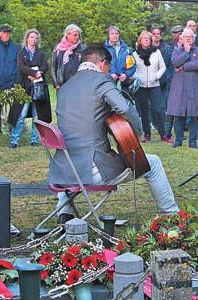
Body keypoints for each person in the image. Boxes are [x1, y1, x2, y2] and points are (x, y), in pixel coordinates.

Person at [47, 45, 179, 223]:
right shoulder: (101, 80)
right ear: (102, 63)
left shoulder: (66, 87)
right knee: (153, 163)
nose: (108, 72)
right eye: (108, 68)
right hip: (91, 169)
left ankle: (65, 212)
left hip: (63, 170)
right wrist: (137, 132)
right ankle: (171, 215)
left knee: (74, 158)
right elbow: (124, 108)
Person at [8, 29, 52, 148]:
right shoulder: (21, 53)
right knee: (20, 115)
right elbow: (21, 67)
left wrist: (38, 73)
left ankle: (35, 139)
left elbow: (44, 66)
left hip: (38, 87)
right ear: (27, 38)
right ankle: (14, 139)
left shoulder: (41, 54)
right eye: (31, 37)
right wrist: (33, 73)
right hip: (24, 87)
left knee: (37, 115)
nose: (34, 40)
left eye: (36, 38)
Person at [167, 28, 198, 149]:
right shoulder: (177, 50)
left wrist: (184, 66)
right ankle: (178, 140)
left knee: (195, 115)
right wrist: (186, 52)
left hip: (195, 88)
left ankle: (192, 141)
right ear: (182, 39)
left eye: (190, 37)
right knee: (178, 115)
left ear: (194, 39)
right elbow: (174, 63)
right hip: (179, 89)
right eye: (186, 37)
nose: (188, 39)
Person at [133, 31, 166, 142]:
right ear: (140, 40)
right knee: (144, 111)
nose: (146, 40)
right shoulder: (135, 54)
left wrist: (156, 76)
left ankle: (163, 134)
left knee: (158, 109)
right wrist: (137, 78)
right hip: (141, 86)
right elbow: (132, 69)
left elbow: (163, 67)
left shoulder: (156, 52)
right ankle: (147, 134)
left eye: (148, 38)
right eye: (144, 38)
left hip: (154, 84)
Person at [0, 24, 19, 134]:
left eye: (8, 32)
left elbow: (18, 64)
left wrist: (16, 79)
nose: (7, 34)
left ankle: (11, 128)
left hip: (12, 81)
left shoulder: (15, 48)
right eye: (4, 32)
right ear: (0, 33)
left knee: (13, 108)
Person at [150, 25, 174, 144]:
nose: (156, 36)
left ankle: (165, 132)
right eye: (154, 34)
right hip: (150, 82)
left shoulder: (166, 48)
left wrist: (168, 76)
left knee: (164, 107)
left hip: (164, 81)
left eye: (158, 34)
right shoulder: (146, 48)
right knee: (153, 107)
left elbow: (170, 64)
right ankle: (155, 127)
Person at [51, 24, 85, 90]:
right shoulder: (58, 49)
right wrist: (56, 83)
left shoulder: (82, 49)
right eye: (75, 35)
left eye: (78, 35)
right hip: (61, 85)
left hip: (77, 84)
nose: (77, 37)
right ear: (68, 34)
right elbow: (53, 67)